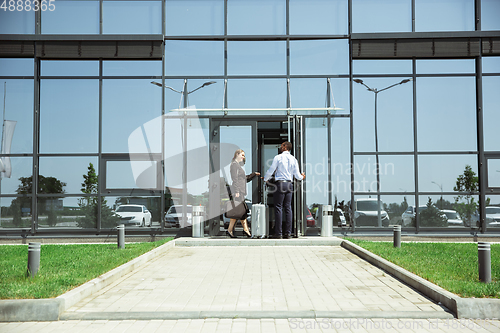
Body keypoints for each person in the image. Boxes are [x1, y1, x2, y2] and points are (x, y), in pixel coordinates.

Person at [263, 142, 305, 239]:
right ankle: (288, 233)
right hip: (289, 184)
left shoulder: (278, 157)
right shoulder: (294, 159)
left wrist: (265, 179)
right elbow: (297, 176)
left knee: (278, 207)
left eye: (281, 146)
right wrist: (302, 177)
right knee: (288, 208)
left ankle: (279, 233)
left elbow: (271, 169)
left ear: (285, 147)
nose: (280, 147)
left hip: (280, 184)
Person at [227, 149, 260, 238]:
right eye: (242, 155)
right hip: (238, 192)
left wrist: (254, 174)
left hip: (240, 192)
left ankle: (240, 230)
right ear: (237, 154)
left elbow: (244, 178)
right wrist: (237, 191)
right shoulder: (234, 165)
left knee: (241, 211)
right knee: (239, 211)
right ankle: (240, 230)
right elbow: (235, 179)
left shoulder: (237, 165)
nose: (243, 157)